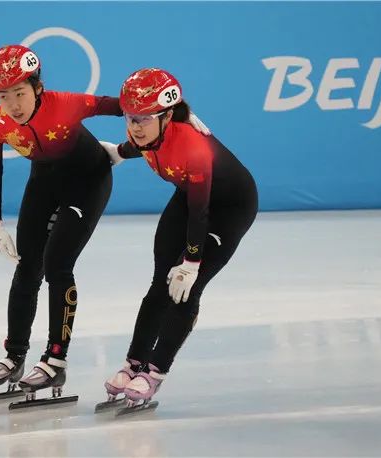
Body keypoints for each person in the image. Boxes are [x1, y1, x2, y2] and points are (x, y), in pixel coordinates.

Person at [100, 68, 258, 406]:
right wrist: (117, 152)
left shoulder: (194, 148)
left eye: (143, 118)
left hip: (229, 208)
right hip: (189, 197)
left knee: (186, 287)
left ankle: (155, 371)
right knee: (160, 283)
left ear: (167, 116)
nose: (135, 126)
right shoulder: (149, 134)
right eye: (130, 117)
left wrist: (191, 261)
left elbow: (201, 213)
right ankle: (134, 363)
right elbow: (140, 144)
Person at [0, 44, 124, 397]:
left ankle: (55, 362)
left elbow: (121, 105)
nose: (13, 104)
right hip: (44, 181)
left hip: (88, 181)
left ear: (37, 88)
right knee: (28, 267)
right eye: (3, 95)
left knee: (58, 265)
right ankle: (15, 355)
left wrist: (176, 114)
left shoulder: (66, 103)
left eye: (19, 93)